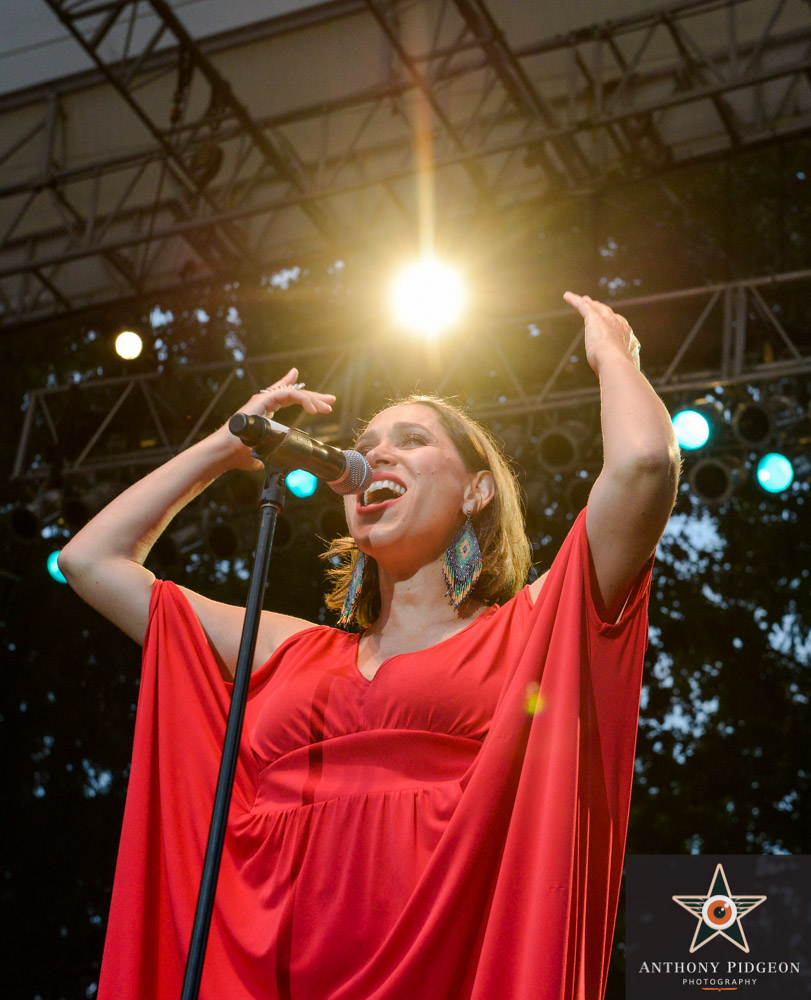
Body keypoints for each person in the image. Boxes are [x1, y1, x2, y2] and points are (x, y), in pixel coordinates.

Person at [59, 292, 679, 1000]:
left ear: (477, 490)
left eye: (412, 441)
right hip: (262, 968)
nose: (376, 452)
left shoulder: (530, 631)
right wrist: (224, 450)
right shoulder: (285, 647)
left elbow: (642, 467)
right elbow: (92, 562)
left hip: (443, 966)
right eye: (365, 445)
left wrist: (613, 357)